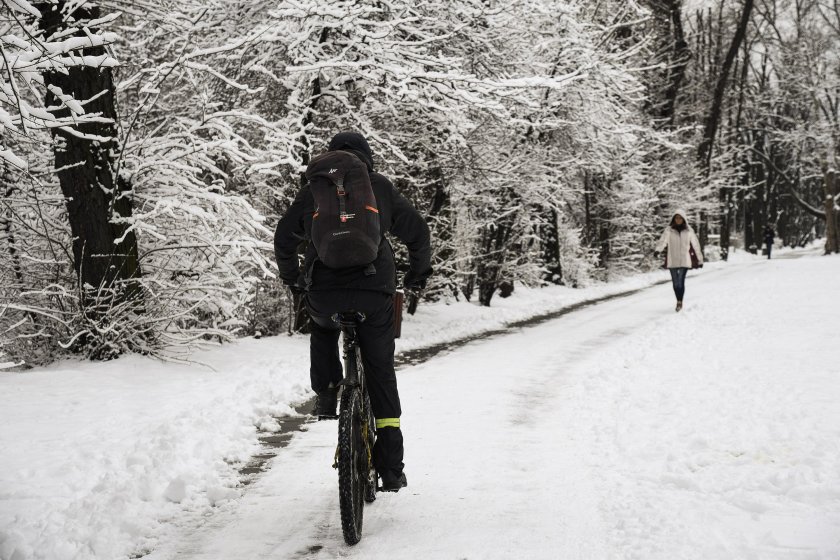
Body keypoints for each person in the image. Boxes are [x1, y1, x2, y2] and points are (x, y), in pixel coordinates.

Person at [274, 131, 432, 492]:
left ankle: (328, 393)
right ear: (365, 158)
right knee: (379, 368)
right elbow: (418, 233)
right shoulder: (378, 187)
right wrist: (417, 274)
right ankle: (390, 467)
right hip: (375, 293)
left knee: (324, 327)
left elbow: (284, 236)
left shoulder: (315, 189)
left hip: (324, 293)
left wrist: (294, 278)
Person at [654, 209, 703, 312]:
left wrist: (700, 259)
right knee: (675, 283)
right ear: (673, 219)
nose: (678, 220)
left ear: (684, 219)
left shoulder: (689, 230)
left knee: (680, 282)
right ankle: (678, 299)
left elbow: (696, 245)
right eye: (676, 218)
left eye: (680, 218)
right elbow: (663, 241)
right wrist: (658, 250)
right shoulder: (669, 230)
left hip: (685, 260)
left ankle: (679, 302)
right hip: (673, 260)